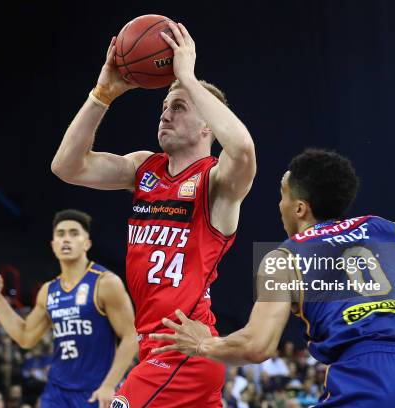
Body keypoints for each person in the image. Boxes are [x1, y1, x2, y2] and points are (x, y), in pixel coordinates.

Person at [151, 149, 395, 407]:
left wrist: (203, 343)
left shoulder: (284, 258)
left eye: (282, 195)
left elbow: (257, 346)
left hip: (370, 381)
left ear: (300, 208)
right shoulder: (386, 228)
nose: (279, 205)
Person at [51, 22, 256, 407]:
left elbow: (243, 148)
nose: (165, 115)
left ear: (207, 126)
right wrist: (102, 95)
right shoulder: (143, 168)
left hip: (181, 351)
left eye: (178, 107)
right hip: (156, 349)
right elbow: (67, 167)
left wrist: (187, 79)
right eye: (163, 107)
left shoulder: (217, 183)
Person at [0, 209, 137, 407]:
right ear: (53, 245)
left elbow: (131, 336)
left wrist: (109, 384)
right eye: (60, 234)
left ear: (87, 243)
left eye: (74, 233)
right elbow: (25, 337)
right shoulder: (48, 291)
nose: (66, 239)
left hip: (95, 390)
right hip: (56, 391)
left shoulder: (105, 283)